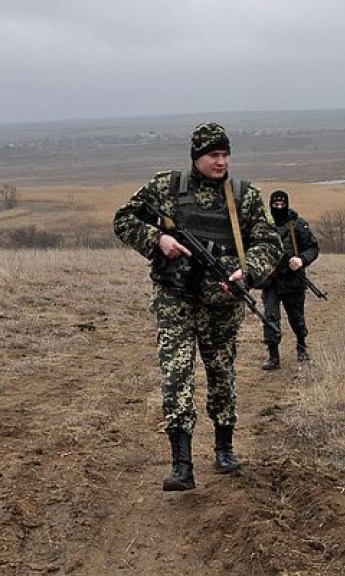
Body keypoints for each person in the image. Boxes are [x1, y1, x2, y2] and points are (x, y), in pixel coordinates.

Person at [113, 122, 282, 492]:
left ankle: (224, 450)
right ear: (196, 156)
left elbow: (270, 242)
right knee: (176, 377)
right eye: (213, 155)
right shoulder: (166, 188)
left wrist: (246, 272)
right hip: (175, 300)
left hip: (221, 304)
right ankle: (182, 465)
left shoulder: (243, 196)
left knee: (221, 375)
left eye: (225, 154)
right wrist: (157, 240)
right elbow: (123, 219)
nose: (221, 162)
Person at [260, 189, 320, 370]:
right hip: (271, 281)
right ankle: (273, 355)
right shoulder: (263, 225)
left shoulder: (298, 225)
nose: (279, 207)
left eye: (282, 204)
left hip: (293, 281)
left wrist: (301, 260)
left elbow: (312, 248)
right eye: (275, 205)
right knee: (270, 318)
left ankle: (301, 346)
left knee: (296, 318)